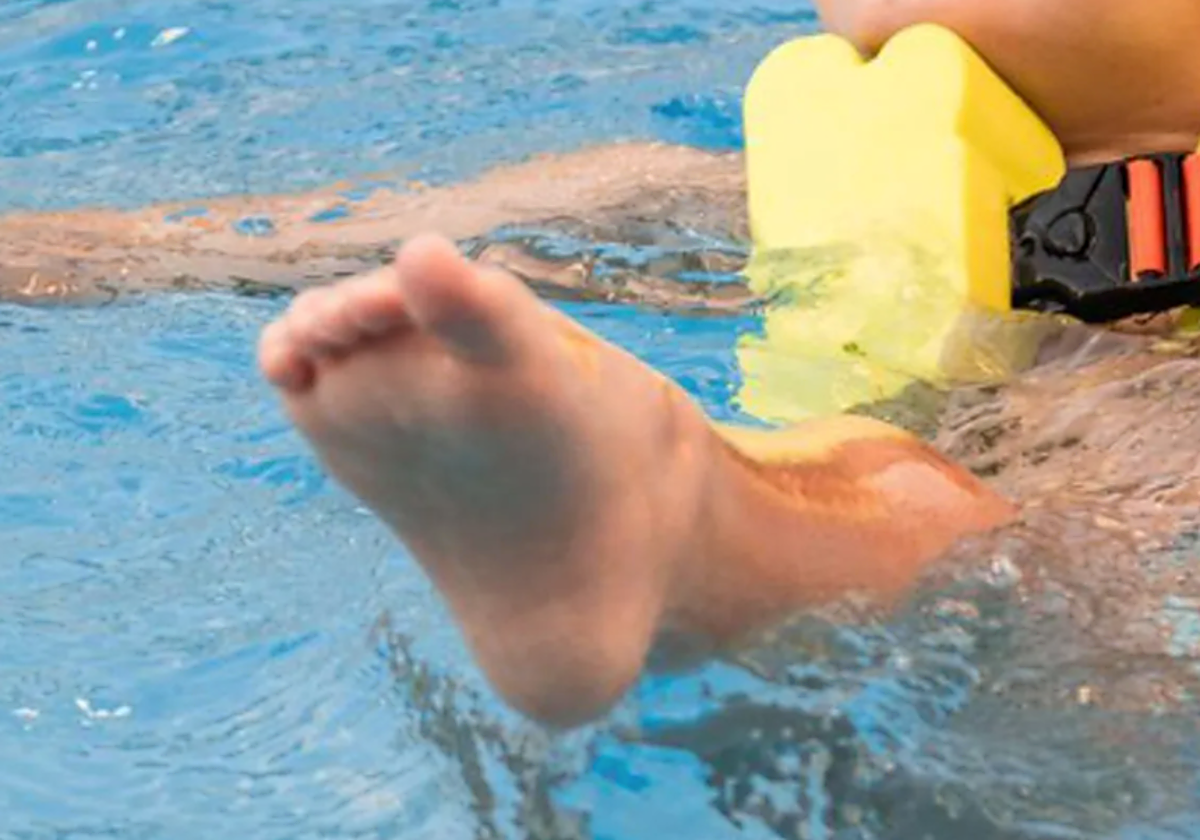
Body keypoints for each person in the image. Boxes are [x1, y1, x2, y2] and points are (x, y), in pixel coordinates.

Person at [252, 0, 1200, 728]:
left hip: (1147, 415)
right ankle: (629, 492)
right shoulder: (708, 192)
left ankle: (670, 503)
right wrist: (147, 251)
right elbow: (278, 238)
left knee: (1023, 526)